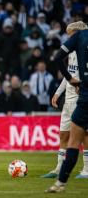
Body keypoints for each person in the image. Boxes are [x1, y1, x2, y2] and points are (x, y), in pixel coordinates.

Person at [45, 22, 88, 193]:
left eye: (70, 35)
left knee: (79, 137)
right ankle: (58, 168)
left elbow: (57, 59)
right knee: (65, 133)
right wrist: (58, 92)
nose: (67, 38)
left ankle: (75, 175)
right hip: (71, 97)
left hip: (82, 96)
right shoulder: (74, 52)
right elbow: (68, 74)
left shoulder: (79, 40)